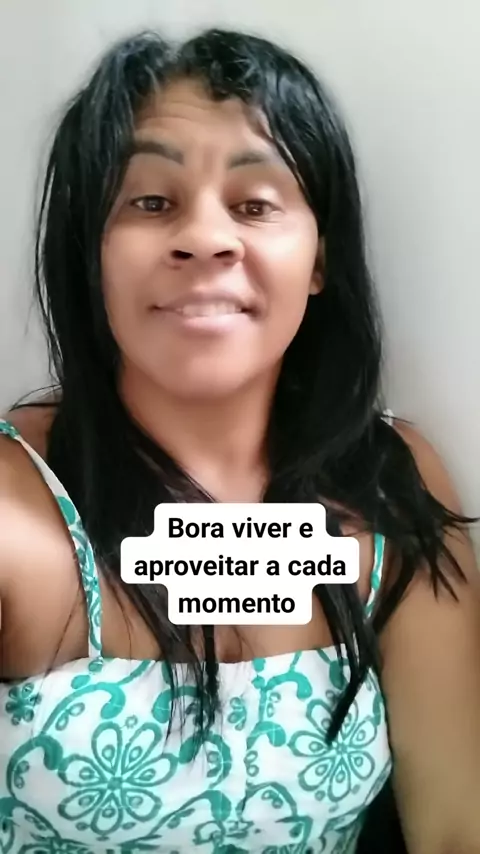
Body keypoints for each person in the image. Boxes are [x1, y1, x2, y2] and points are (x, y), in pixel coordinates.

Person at [0, 27, 479, 854]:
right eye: (151, 202)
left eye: (255, 204)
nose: (206, 237)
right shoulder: (13, 510)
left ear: (320, 258)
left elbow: (454, 824)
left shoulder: (391, 481)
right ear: (89, 255)